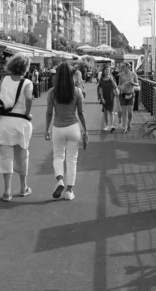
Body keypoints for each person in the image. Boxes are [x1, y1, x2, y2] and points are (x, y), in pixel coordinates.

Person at [0, 54, 34, 202]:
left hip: (4, 122)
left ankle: (7, 191)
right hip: (20, 123)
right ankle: (23, 187)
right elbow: (29, 98)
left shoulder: (3, 81)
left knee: (5, 157)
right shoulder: (27, 83)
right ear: (25, 68)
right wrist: (27, 113)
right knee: (22, 155)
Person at [45, 63, 88, 201]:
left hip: (58, 127)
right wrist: (85, 130)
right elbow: (81, 112)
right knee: (72, 160)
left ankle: (60, 180)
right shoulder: (77, 91)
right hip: (73, 127)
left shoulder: (52, 92)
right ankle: (69, 191)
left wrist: (46, 129)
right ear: (72, 76)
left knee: (58, 156)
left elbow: (49, 112)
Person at [118, 62, 139, 133]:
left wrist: (132, 83)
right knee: (124, 111)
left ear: (128, 67)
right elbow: (119, 85)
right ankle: (124, 127)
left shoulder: (133, 74)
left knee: (130, 112)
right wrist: (122, 86)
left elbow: (137, 84)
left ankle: (129, 122)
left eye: (123, 67)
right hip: (123, 94)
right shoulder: (121, 75)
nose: (122, 68)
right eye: (122, 67)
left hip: (131, 94)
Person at [97, 66, 119, 132]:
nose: (107, 71)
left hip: (111, 96)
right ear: (103, 71)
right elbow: (100, 89)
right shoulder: (101, 79)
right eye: (106, 70)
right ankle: (107, 125)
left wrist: (112, 80)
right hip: (104, 96)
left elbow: (115, 87)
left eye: (108, 70)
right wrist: (102, 98)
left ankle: (111, 125)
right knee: (105, 111)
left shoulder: (112, 78)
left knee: (111, 111)